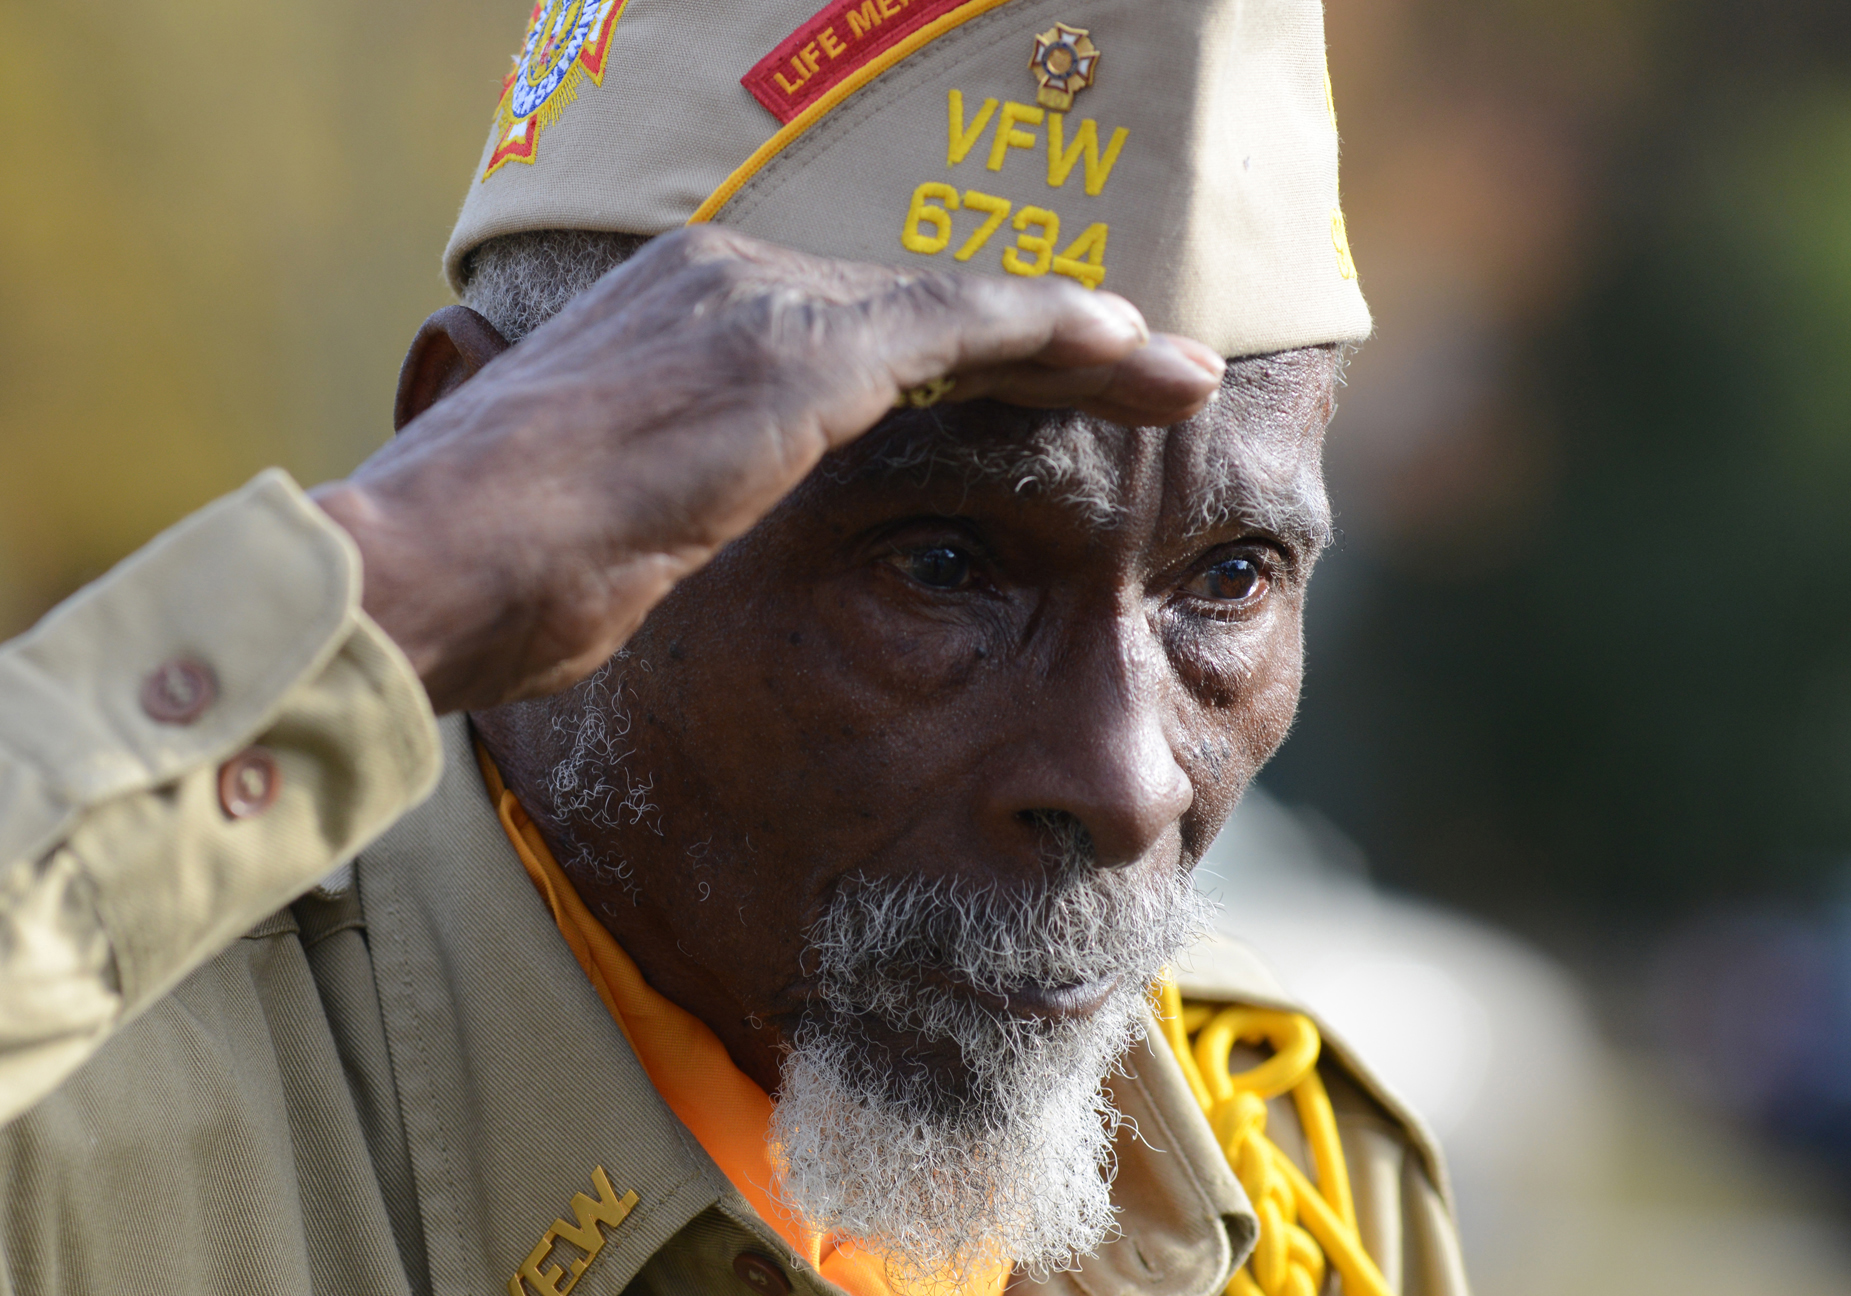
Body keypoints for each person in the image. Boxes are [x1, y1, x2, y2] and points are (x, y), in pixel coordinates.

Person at [0, 1, 1469, 1293]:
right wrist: (379, 585)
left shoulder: (1303, 1198)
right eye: (943, 565)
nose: (1127, 777)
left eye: (1226, 582)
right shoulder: (83, 1131)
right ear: (480, 451)